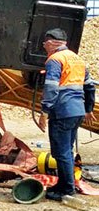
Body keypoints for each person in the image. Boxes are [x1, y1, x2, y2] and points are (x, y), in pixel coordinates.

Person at [38, 28, 96, 201]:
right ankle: (63, 184)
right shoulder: (77, 59)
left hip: (62, 111)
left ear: (50, 43)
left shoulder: (55, 60)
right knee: (66, 151)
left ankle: (67, 189)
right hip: (76, 111)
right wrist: (88, 108)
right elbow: (90, 86)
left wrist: (44, 111)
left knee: (61, 152)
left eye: (44, 44)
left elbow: (51, 87)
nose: (44, 47)